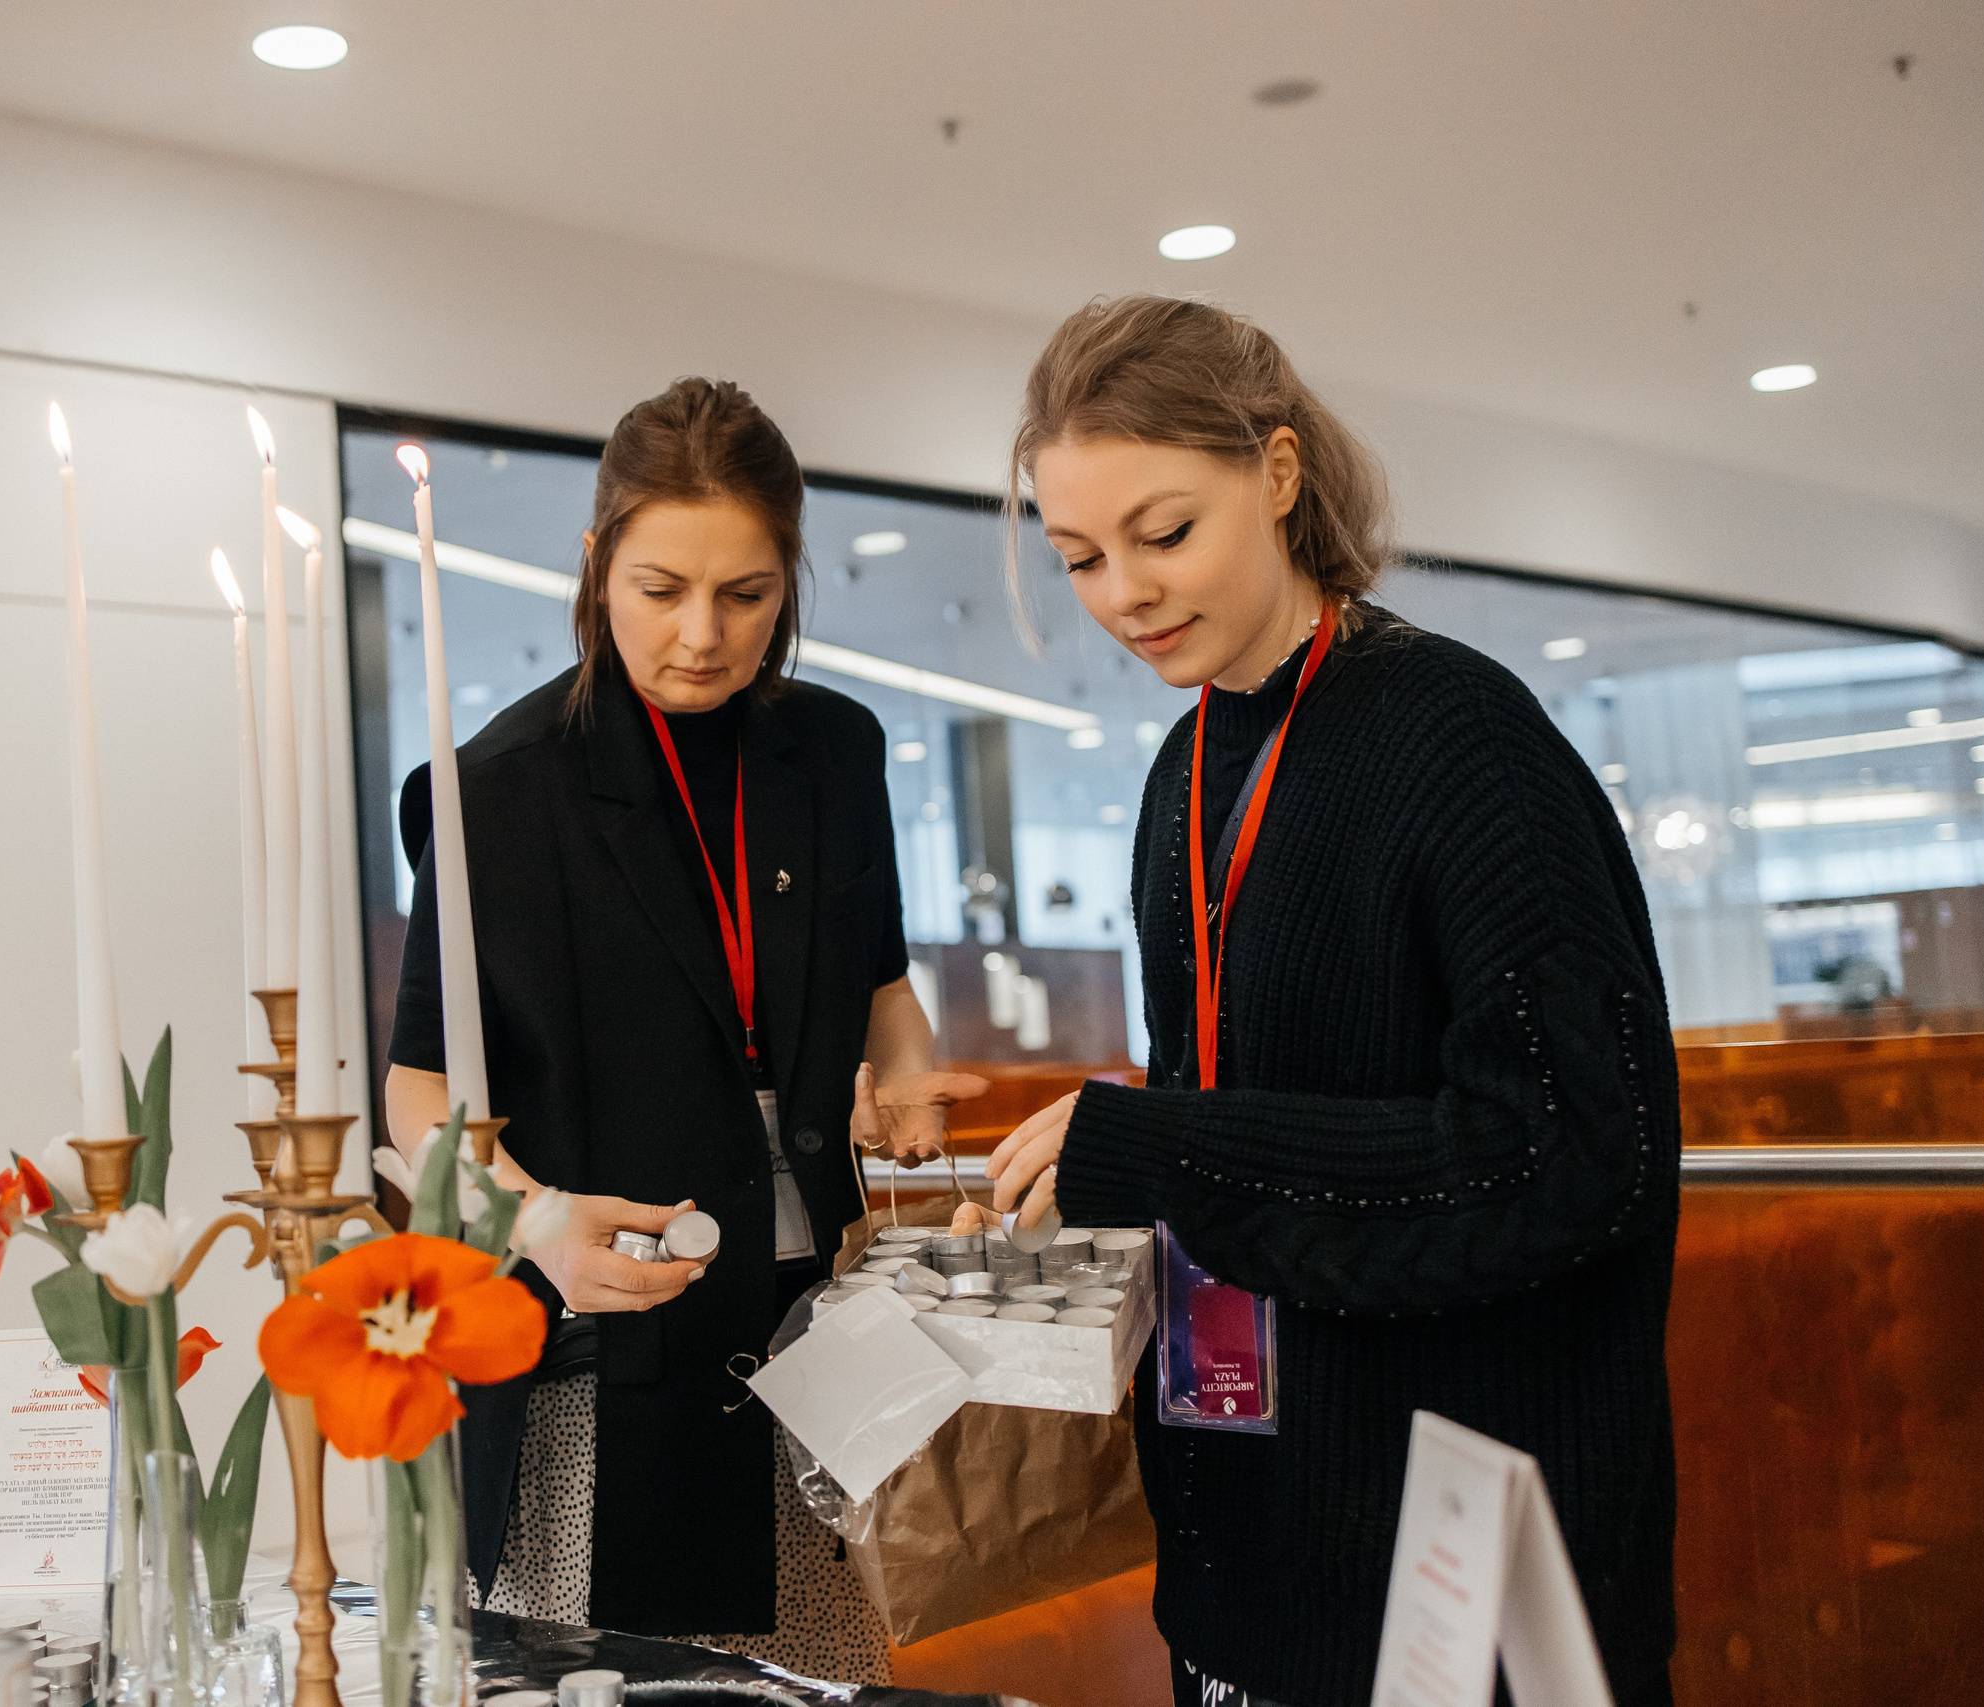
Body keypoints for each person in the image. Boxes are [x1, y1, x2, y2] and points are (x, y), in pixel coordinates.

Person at [985, 297, 1678, 1707]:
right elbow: (1253, 1137)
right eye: (1079, 559)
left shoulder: (1460, 738)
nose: (1123, 591)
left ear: (1282, 476)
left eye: (1163, 533)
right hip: (1244, 1557)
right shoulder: (1182, 777)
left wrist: (1162, 1145)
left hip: (1465, 1580)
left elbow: (1564, 1161)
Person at [384, 377, 985, 1683]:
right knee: (609, 1685)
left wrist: (911, 1064)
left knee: (819, 1685)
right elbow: (422, 1093)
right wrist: (531, 1219)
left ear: (791, 579)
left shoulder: (834, 751)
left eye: (749, 594)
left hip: (819, 1348)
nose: (706, 635)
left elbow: (882, 986)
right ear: (598, 566)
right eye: (663, 590)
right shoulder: (495, 788)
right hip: (599, 1370)